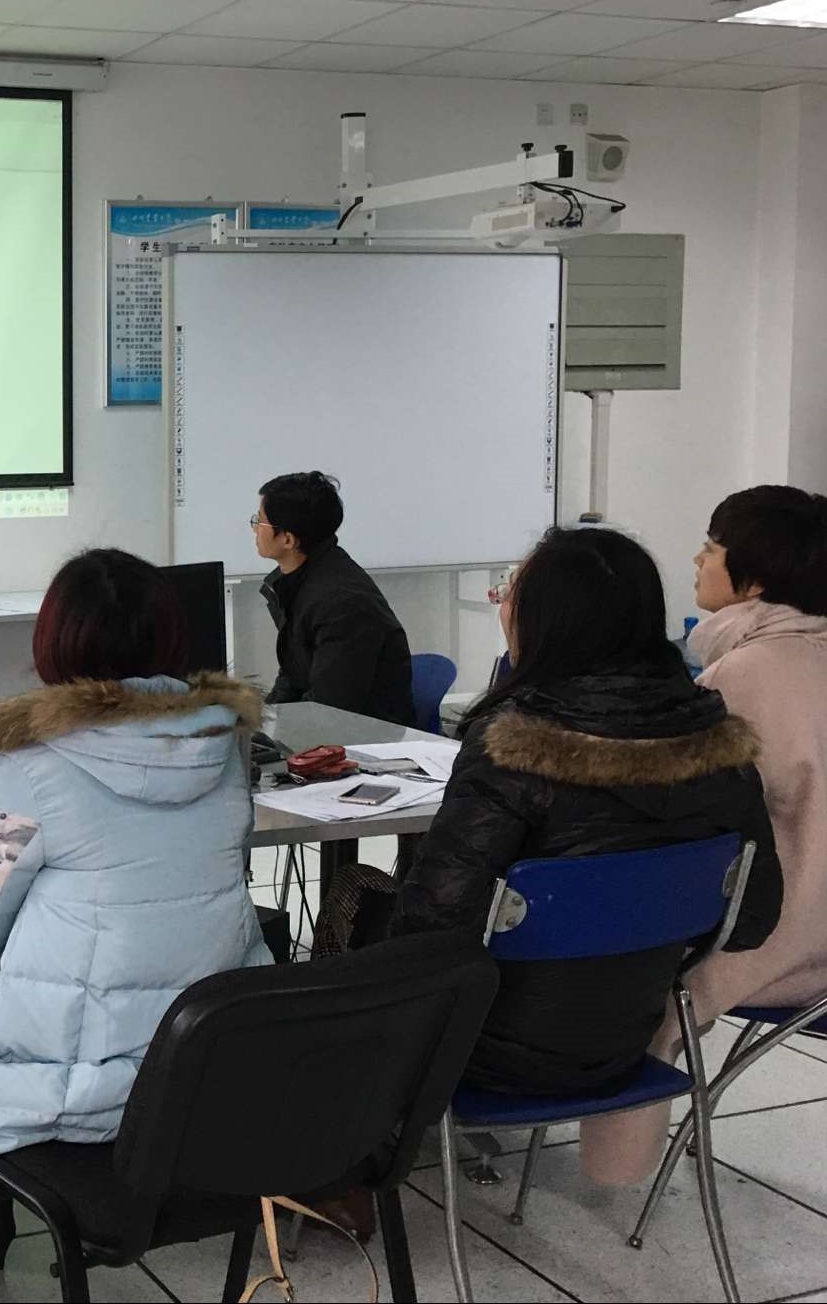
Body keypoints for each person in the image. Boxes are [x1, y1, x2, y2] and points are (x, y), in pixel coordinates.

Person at [0, 547, 271, 1228]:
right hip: (204, 1067)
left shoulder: (26, 763)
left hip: (77, 1082)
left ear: (55, 642)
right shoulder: (222, 747)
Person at [390, 525, 781, 1106]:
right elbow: (751, 920)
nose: (503, 607)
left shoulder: (511, 748)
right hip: (629, 1039)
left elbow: (430, 930)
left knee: (360, 896)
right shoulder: (720, 749)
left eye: (511, 593)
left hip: (481, 1047)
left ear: (547, 620)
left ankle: (359, 1129)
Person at [583, 485, 827, 1183]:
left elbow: (669, 815)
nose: (696, 558)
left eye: (711, 548)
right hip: (814, 923)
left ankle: (615, 1172)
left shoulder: (743, 674)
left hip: (785, 940)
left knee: (619, 967)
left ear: (754, 579)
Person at [254, 471, 414, 726]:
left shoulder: (343, 603)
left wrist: (278, 731)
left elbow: (331, 707)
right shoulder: (297, 582)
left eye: (259, 522)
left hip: (364, 735)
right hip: (327, 726)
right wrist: (263, 723)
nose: (254, 529)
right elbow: (294, 674)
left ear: (287, 539)